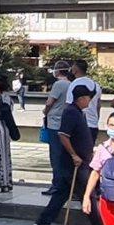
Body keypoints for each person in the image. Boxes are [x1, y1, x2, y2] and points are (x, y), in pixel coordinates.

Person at [32, 84, 106, 225]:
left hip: (79, 161)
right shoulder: (71, 113)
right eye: (88, 97)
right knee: (89, 195)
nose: (90, 100)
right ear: (81, 98)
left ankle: (41, 222)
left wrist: (88, 153)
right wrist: (74, 155)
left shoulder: (78, 112)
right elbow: (63, 135)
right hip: (74, 164)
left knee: (62, 194)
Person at [42, 60, 72, 196]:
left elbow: (50, 102)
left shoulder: (58, 84)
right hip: (65, 122)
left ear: (58, 71)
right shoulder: (71, 84)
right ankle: (65, 183)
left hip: (54, 123)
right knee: (63, 155)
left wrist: (45, 111)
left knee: (55, 155)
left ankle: (57, 184)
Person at [66, 59, 101, 141]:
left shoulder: (74, 84)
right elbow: (98, 106)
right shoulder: (96, 85)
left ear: (75, 70)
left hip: (78, 126)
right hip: (93, 125)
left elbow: (68, 106)